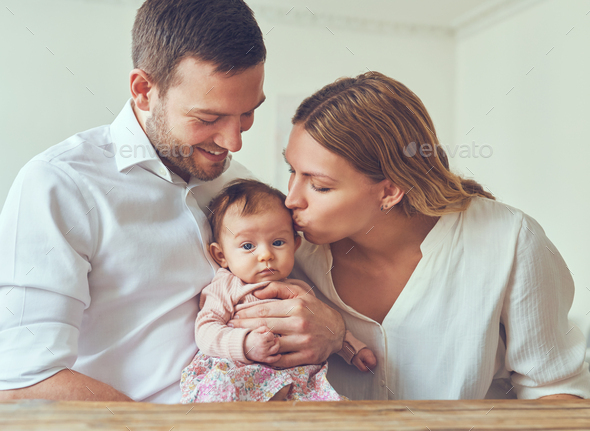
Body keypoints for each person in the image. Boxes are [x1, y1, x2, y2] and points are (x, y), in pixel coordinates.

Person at [0, 0, 346, 403]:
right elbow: (22, 382)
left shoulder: (238, 186)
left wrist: (333, 330)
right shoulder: (60, 185)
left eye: (247, 114)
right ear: (144, 91)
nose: (233, 142)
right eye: (208, 118)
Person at [227, 71, 590, 400]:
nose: (291, 198)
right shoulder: (278, 251)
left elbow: (555, 393)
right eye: (292, 170)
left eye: (319, 185)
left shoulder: (511, 242)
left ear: (389, 191)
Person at [179, 179, 376, 403]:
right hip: (239, 374)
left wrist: (352, 350)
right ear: (221, 256)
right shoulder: (226, 286)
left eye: (278, 242)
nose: (266, 255)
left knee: (331, 411)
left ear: (295, 245)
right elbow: (205, 330)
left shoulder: (299, 289)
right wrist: (244, 343)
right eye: (247, 246)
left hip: (295, 380)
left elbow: (325, 327)